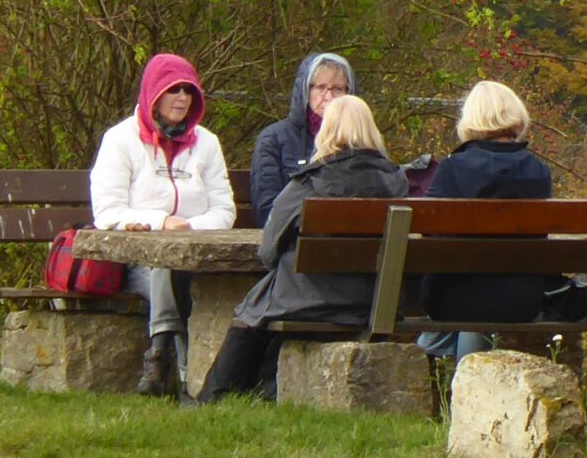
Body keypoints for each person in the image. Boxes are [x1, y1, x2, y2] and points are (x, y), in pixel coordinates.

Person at [192, 95, 410, 404]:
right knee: (264, 304)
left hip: (310, 300)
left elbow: (267, 251)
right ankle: (261, 392)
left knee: (252, 312)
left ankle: (213, 396)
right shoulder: (398, 183)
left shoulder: (308, 184)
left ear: (327, 132)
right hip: (373, 301)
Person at [89, 52, 235, 397]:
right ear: (154, 94)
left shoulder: (207, 143)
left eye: (188, 91)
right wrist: (159, 222)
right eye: (173, 90)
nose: (182, 98)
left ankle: (159, 354)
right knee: (164, 271)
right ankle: (185, 381)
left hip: (197, 255)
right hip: (136, 260)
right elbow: (107, 211)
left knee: (177, 273)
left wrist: (187, 229)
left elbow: (224, 211)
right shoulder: (120, 140)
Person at [417, 80, 552, 359]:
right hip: (523, 299)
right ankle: (457, 383)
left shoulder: (452, 169)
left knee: (458, 289)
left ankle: (445, 383)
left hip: (454, 299)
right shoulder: (539, 172)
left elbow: (429, 237)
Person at [248, 52, 356, 229]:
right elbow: (266, 210)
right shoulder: (273, 139)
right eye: (320, 87)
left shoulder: (359, 142)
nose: (328, 97)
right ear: (306, 91)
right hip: (291, 244)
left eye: (337, 89)